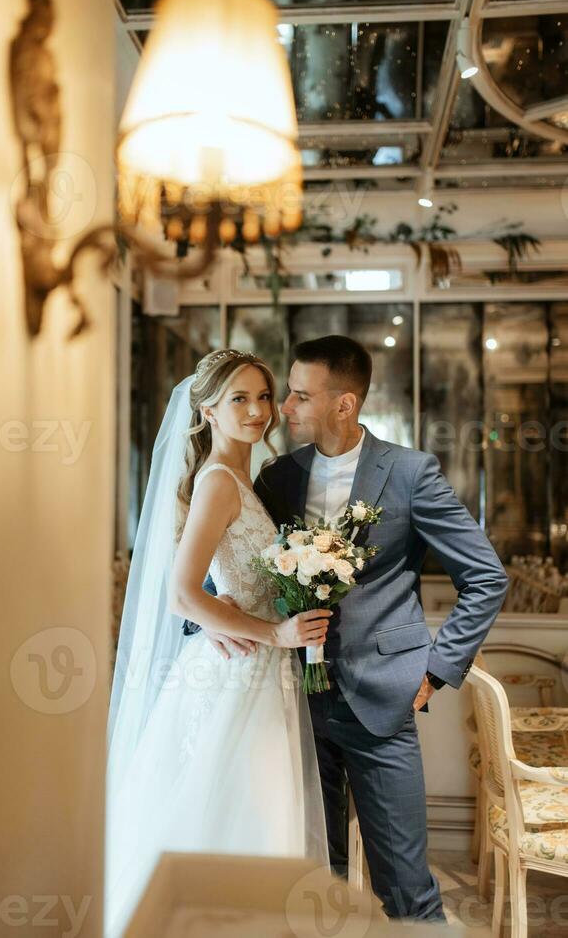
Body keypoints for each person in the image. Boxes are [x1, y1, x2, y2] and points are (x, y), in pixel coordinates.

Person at [185, 334, 510, 922]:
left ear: (345, 404)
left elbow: (486, 577)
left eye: (299, 396)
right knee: (313, 879)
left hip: (382, 700)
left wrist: (437, 670)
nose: (281, 408)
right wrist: (210, 622)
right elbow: (232, 561)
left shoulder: (411, 474)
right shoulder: (277, 477)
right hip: (288, 706)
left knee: (407, 887)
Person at [104, 349, 330, 938]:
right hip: (237, 672)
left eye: (262, 396)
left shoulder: (244, 482)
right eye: (239, 399)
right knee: (240, 810)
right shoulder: (219, 484)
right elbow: (180, 596)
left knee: (259, 812)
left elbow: (221, 583)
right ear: (205, 410)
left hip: (259, 670)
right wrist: (274, 631)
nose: (258, 410)